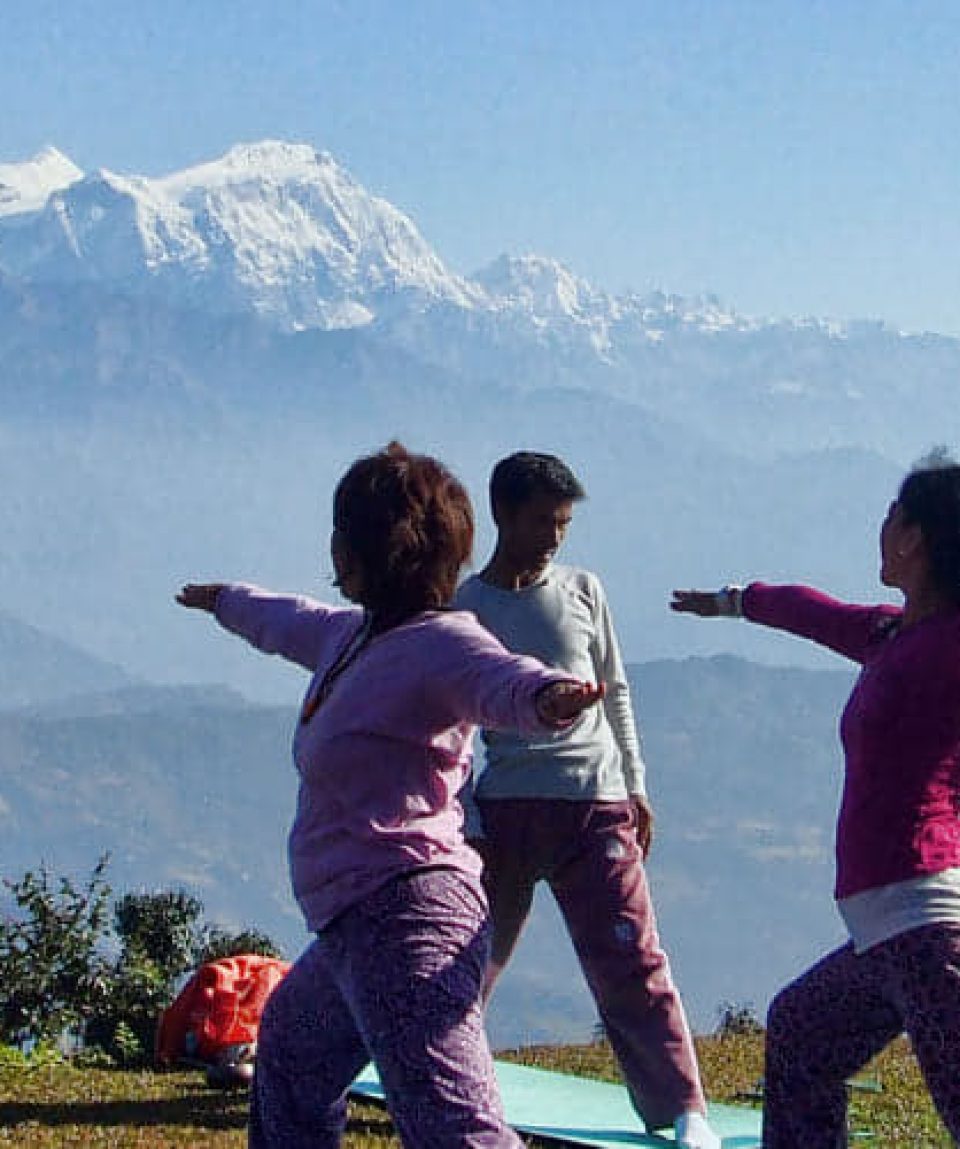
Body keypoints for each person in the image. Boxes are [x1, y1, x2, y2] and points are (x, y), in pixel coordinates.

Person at [176, 441, 604, 1149]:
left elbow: (503, 678)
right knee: (289, 1057)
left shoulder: (442, 643)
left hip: (412, 920)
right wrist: (224, 600)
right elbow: (286, 619)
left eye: (343, 532)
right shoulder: (354, 634)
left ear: (378, 549)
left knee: (454, 1129)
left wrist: (550, 696)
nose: (333, 546)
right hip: (355, 921)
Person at [671, 452, 960, 1147]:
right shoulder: (895, 634)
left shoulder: (949, 645)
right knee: (801, 1033)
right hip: (885, 933)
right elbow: (814, 612)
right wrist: (735, 600)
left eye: (890, 517)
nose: (880, 528)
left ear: (913, 536)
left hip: (928, 928)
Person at [455, 451, 720, 1149]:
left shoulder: (583, 588)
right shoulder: (465, 606)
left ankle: (683, 1107)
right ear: (503, 515)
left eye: (564, 522)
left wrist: (636, 785)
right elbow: (449, 724)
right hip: (505, 808)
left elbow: (617, 688)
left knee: (632, 959)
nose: (554, 536)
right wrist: (471, 818)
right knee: (467, 958)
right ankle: (442, 1084)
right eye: (542, 520)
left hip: (594, 800)